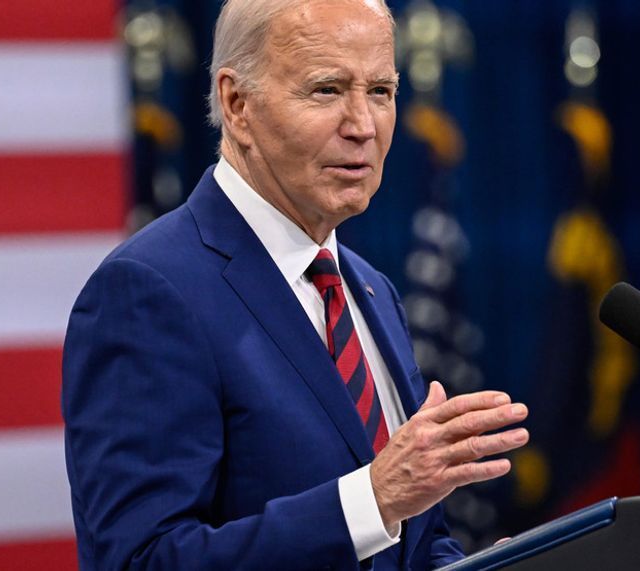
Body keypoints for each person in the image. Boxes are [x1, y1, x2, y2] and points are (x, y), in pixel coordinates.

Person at [61, 0, 530, 568]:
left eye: (380, 91)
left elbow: (409, 542)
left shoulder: (371, 289)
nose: (362, 126)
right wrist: (372, 500)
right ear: (237, 104)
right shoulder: (148, 292)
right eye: (326, 90)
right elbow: (142, 560)